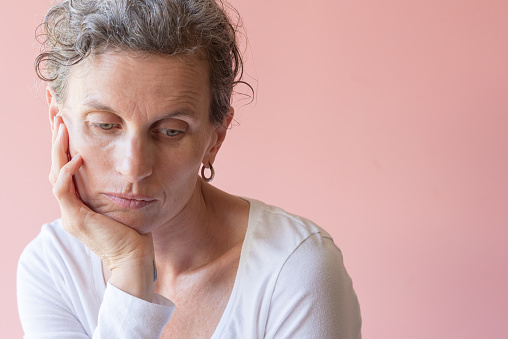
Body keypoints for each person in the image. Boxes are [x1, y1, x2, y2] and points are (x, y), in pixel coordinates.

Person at [17, 0, 362, 337]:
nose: (134, 168)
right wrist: (130, 269)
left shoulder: (294, 268)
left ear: (215, 139)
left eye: (170, 131)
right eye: (105, 125)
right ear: (57, 119)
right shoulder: (53, 267)